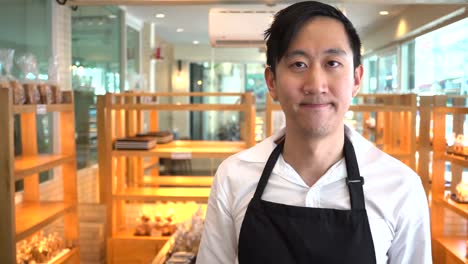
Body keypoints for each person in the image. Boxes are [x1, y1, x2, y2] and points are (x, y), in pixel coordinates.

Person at [196, 1, 432, 263]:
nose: (316, 85)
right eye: (298, 64)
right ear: (271, 81)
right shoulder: (234, 176)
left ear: (356, 79)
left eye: (332, 63)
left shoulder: (400, 186)